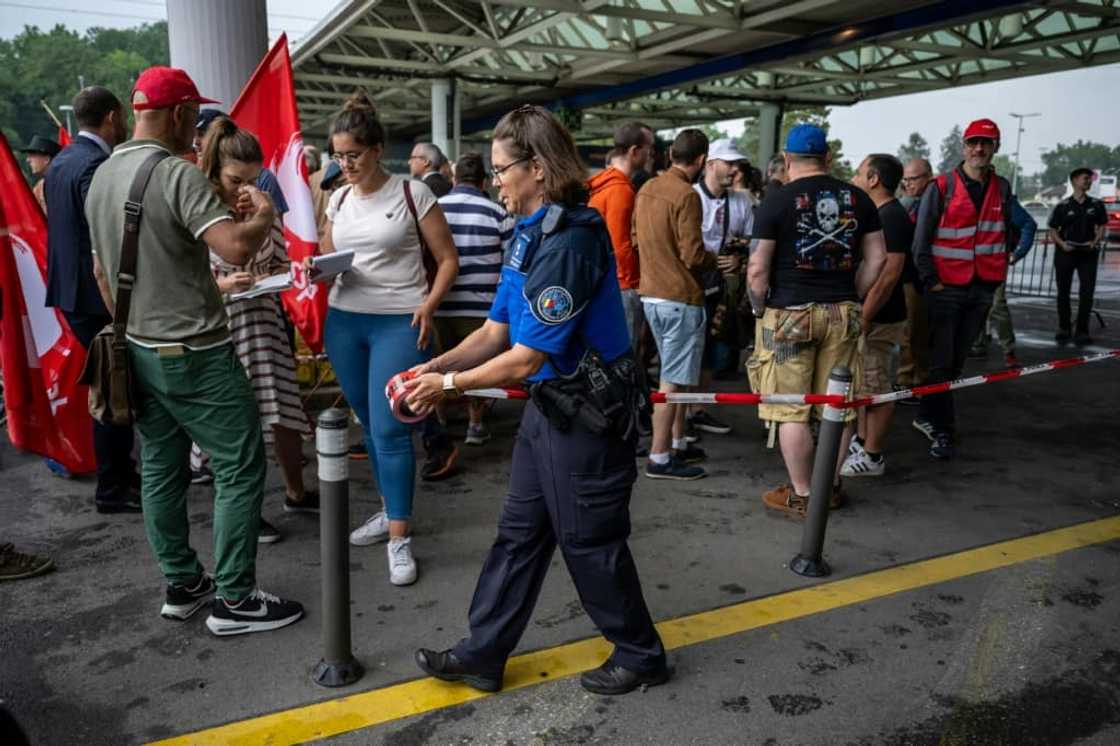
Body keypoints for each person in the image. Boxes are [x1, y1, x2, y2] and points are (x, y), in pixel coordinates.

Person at [405, 104, 669, 697]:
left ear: (539, 169)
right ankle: (483, 652)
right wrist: (437, 364)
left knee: (591, 542)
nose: (495, 179)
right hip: (550, 412)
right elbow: (496, 332)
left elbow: (526, 358)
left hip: (587, 417)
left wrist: (445, 388)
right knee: (519, 534)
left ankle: (640, 653)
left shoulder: (570, 243)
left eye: (503, 169)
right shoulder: (529, 233)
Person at [86, 66, 303, 635]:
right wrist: (262, 216)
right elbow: (232, 250)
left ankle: (183, 584)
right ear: (182, 114)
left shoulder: (103, 174)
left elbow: (100, 272)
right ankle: (235, 598)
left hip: (136, 348)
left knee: (161, 467)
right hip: (197, 352)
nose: (199, 134)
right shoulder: (176, 175)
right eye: (195, 119)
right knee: (239, 462)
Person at [318, 93, 458, 585]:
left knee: (391, 428)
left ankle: (400, 537)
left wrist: (428, 305)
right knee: (370, 426)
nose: (345, 164)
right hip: (344, 321)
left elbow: (447, 259)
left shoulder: (412, 193)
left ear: (377, 149)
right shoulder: (336, 197)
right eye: (338, 155)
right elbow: (327, 256)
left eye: (352, 154)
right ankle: (388, 509)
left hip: (400, 320)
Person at [747, 124, 886, 517]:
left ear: (788, 160)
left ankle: (805, 493)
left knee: (791, 408)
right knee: (837, 407)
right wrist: (853, 294)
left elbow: (757, 269)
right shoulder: (859, 199)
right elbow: (877, 259)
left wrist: (759, 309)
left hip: (789, 315)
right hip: (842, 313)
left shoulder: (776, 200)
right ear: (828, 159)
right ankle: (831, 485)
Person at [192, 117, 319, 543]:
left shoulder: (261, 205)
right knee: (238, 430)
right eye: (235, 179)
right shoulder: (200, 209)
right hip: (221, 328)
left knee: (282, 414)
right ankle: (248, 512)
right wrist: (223, 285)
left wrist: (282, 273)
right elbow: (183, 279)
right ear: (214, 170)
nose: (244, 189)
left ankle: (295, 491)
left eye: (252, 179)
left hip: (264, 323)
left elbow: (281, 262)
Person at [43, 86, 140, 514]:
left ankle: (121, 475)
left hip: (68, 292)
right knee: (113, 388)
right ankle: (113, 488)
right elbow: (105, 236)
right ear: (114, 116)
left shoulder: (62, 161)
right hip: (94, 295)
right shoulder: (96, 166)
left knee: (110, 385)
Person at [911, 118, 1013, 460]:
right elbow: (920, 241)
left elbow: (1006, 232)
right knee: (941, 363)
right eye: (972, 142)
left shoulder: (1002, 187)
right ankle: (942, 429)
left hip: (981, 289)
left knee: (954, 364)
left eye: (985, 143)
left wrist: (996, 277)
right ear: (963, 147)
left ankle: (927, 414)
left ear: (995, 147)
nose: (978, 149)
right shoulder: (941, 187)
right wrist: (932, 282)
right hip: (945, 289)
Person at [633, 129, 715, 480]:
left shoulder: (647, 188)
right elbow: (693, 255)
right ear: (701, 161)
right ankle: (660, 456)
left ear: (670, 156)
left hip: (650, 294)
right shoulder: (687, 195)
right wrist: (719, 260)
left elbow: (635, 238)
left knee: (674, 377)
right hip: (680, 297)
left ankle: (678, 442)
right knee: (672, 383)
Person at [434, 151, 513, 445]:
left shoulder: (435, 208)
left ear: (454, 179)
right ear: (483, 182)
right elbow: (509, 264)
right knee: (477, 368)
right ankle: (475, 424)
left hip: (440, 304)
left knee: (440, 363)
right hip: (481, 307)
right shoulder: (496, 212)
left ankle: (440, 419)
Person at [842, 154, 911, 477]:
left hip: (881, 320)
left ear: (873, 179)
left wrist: (865, 318)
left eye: (858, 174)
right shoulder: (880, 214)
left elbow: (889, 274)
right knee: (863, 383)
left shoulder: (892, 216)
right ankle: (861, 439)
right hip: (871, 316)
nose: (854, 179)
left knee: (876, 385)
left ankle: (873, 455)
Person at [689, 138, 754, 433]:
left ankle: (697, 409)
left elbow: (752, 241)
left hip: (724, 287)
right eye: (729, 163)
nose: (735, 170)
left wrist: (739, 258)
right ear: (710, 163)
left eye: (737, 164)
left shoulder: (741, 201)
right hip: (690, 284)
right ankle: (679, 416)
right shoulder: (691, 196)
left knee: (712, 348)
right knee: (687, 350)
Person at [587, 121, 652, 351]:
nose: (650, 156)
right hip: (620, 286)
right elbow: (620, 244)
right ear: (635, 151)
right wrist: (634, 284)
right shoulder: (620, 190)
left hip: (601, 281)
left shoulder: (600, 186)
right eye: (648, 150)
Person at [969, 197, 1038, 367]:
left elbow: (1029, 224)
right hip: (970, 261)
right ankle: (978, 344)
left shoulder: (1002, 198)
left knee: (997, 306)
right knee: (974, 303)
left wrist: (1017, 253)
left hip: (994, 262)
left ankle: (1009, 351)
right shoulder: (965, 193)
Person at [1049, 167, 1108, 345]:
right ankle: (1064, 327)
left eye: (1090, 179)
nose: (1088, 181)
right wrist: (1062, 244)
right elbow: (1053, 230)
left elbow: (1102, 226)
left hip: (1088, 253)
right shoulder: (1062, 205)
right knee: (1063, 292)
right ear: (1074, 181)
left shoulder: (1097, 205)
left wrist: (1095, 241)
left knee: (1087, 293)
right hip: (1066, 253)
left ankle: (1082, 330)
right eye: (1085, 179)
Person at [194, 108, 289, 217]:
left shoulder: (265, 180)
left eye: (253, 181)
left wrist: (266, 215)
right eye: (235, 180)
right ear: (216, 172)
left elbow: (278, 228)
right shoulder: (194, 194)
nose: (244, 189)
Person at [896, 158, 934, 399]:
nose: (908, 184)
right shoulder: (907, 204)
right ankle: (906, 378)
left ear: (928, 177)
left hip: (923, 277)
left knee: (917, 332)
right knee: (907, 331)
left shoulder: (932, 203)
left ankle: (915, 381)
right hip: (906, 275)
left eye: (913, 179)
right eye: (905, 180)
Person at [20, 135, 62, 212]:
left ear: (47, 159)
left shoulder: (63, 184)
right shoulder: (38, 188)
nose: (28, 160)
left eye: (32, 155)